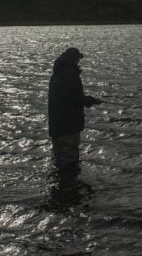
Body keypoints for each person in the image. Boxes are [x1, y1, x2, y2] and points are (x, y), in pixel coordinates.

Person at [47, 47, 102, 183]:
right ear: (73, 59)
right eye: (77, 59)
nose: (78, 62)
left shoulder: (57, 73)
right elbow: (77, 98)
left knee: (59, 158)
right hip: (69, 125)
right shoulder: (71, 74)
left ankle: (60, 187)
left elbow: (68, 97)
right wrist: (90, 100)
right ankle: (70, 187)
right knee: (69, 159)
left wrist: (86, 100)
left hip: (56, 125)